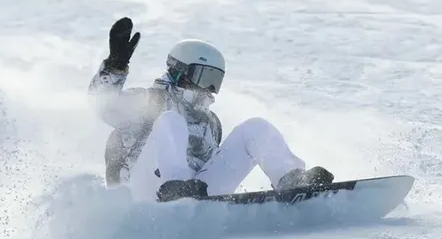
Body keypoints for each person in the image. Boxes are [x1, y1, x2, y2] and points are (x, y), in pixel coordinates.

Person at [88, 17, 334, 202]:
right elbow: (104, 106)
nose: (210, 88)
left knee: (255, 128)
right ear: (179, 72)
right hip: (142, 197)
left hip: (194, 194)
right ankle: (178, 186)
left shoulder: (210, 123)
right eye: (203, 77)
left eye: (215, 80)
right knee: (170, 120)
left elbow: (211, 166)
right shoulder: (150, 101)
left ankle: (291, 180)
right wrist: (115, 66)